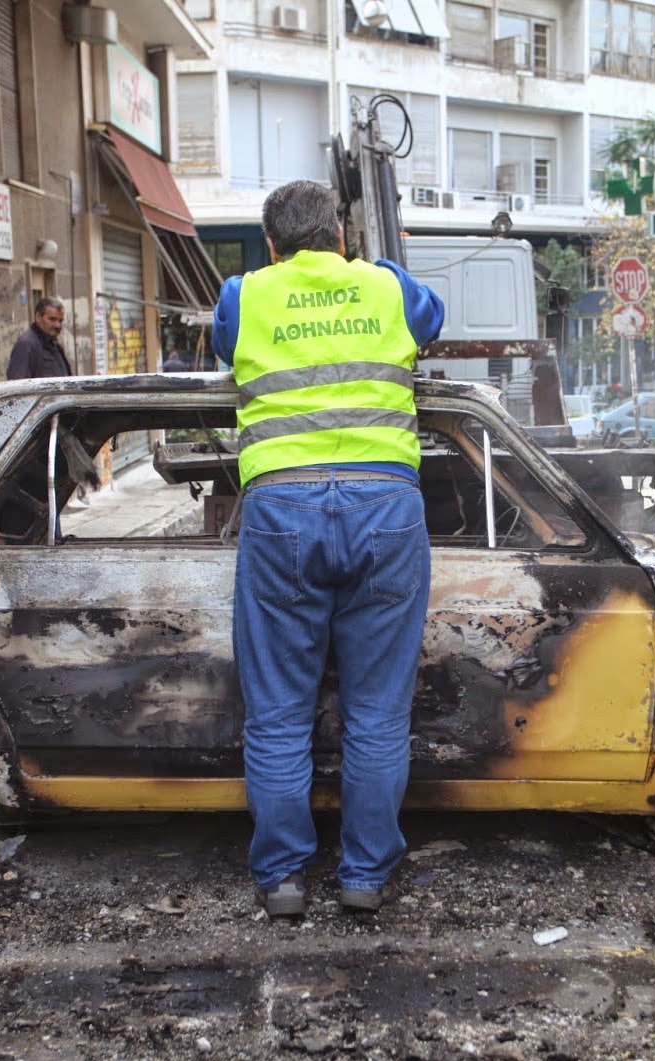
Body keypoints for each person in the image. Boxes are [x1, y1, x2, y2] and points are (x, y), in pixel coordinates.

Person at [211, 179, 445, 918]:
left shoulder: (244, 294)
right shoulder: (386, 287)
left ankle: (283, 879)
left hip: (281, 509)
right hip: (386, 508)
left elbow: (223, 345)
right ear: (342, 237)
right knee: (378, 711)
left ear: (271, 245)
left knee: (279, 711)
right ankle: (364, 877)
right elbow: (432, 319)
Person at [6, 296, 71, 379]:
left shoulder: (53, 344)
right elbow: (18, 385)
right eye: (52, 319)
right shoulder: (27, 344)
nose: (58, 325)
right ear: (38, 317)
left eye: (60, 321)